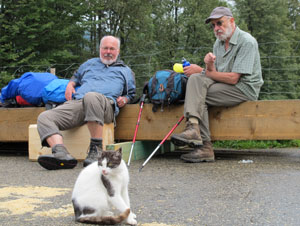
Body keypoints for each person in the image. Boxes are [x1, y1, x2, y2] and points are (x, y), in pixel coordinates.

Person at [171, 7, 264, 163]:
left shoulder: (247, 42)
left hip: (244, 87)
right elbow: (216, 74)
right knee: (194, 79)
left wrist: (202, 70)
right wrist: (208, 66)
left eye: (219, 23)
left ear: (231, 21)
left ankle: (204, 146)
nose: (216, 28)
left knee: (200, 95)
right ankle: (193, 127)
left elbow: (234, 78)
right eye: (213, 25)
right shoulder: (218, 43)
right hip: (225, 85)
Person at [37, 35, 136, 170]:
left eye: (112, 49)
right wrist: (71, 84)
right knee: (45, 117)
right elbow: (76, 76)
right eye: (105, 48)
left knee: (92, 97)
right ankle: (60, 153)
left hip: (105, 105)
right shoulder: (89, 64)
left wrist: (125, 99)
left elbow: (131, 93)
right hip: (79, 102)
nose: (108, 52)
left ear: (118, 51)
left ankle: (96, 150)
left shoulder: (126, 71)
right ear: (100, 49)